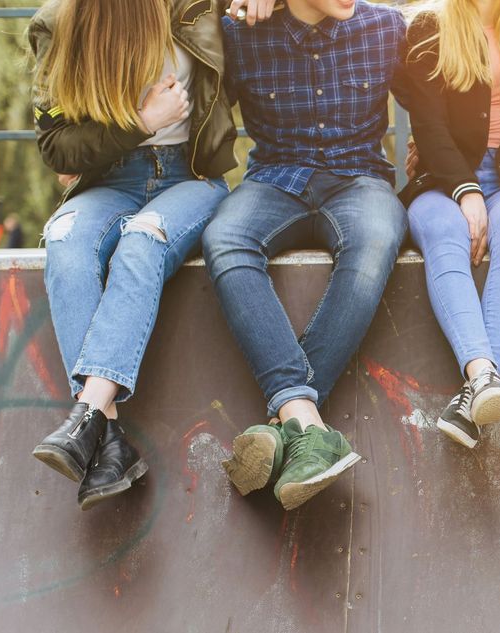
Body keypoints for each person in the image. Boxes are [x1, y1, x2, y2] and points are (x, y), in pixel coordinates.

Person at [27, 0, 235, 510]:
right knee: (65, 239)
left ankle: (87, 415)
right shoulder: (59, 21)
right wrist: (141, 123)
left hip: (191, 176)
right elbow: (56, 146)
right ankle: (111, 442)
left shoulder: (198, 6)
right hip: (109, 179)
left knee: (143, 240)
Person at [205, 0, 407, 510]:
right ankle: (308, 424)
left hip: (360, 178)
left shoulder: (386, 25)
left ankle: (285, 426)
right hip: (275, 178)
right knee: (225, 238)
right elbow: (179, 34)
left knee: (375, 240)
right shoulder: (239, 29)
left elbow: (449, 71)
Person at [398, 0, 500, 448]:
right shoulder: (430, 27)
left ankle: (478, 388)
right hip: (443, 174)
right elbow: (428, 127)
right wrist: (465, 190)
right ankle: (482, 378)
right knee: (444, 230)